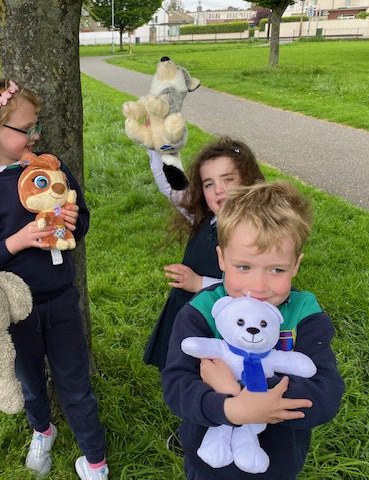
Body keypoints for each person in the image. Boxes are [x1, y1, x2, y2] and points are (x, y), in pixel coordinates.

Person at [0, 78, 108, 480]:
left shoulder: (49, 169)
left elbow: (82, 222)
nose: (35, 135)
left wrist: (73, 220)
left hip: (61, 299)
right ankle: (42, 429)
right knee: (30, 381)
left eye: (34, 126)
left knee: (75, 383)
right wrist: (17, 242)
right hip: (12, 308)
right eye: (26, 128)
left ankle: (95, 460)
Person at [162, 181, 344, 480]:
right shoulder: (202, 311)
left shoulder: (304, 315)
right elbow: (177, 386)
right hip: (209, 465)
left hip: (277, 467)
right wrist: (231, 410)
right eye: (244, 267)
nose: (258, 287)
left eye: (277, 270)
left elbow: (326, 395)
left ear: (295, 265)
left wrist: (242, 391)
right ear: (222, 259)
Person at [144, 138, 265, 372]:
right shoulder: (204, 218)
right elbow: (172, 186)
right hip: (187, 310)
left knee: (210, 373)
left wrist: (198, 283)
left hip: (221, 323)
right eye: (209, 184)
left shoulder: (255, 234)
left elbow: (251, 290)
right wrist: (158, 144)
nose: (219, 189)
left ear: (248, 181)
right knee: (180, 368)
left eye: (228, 179)